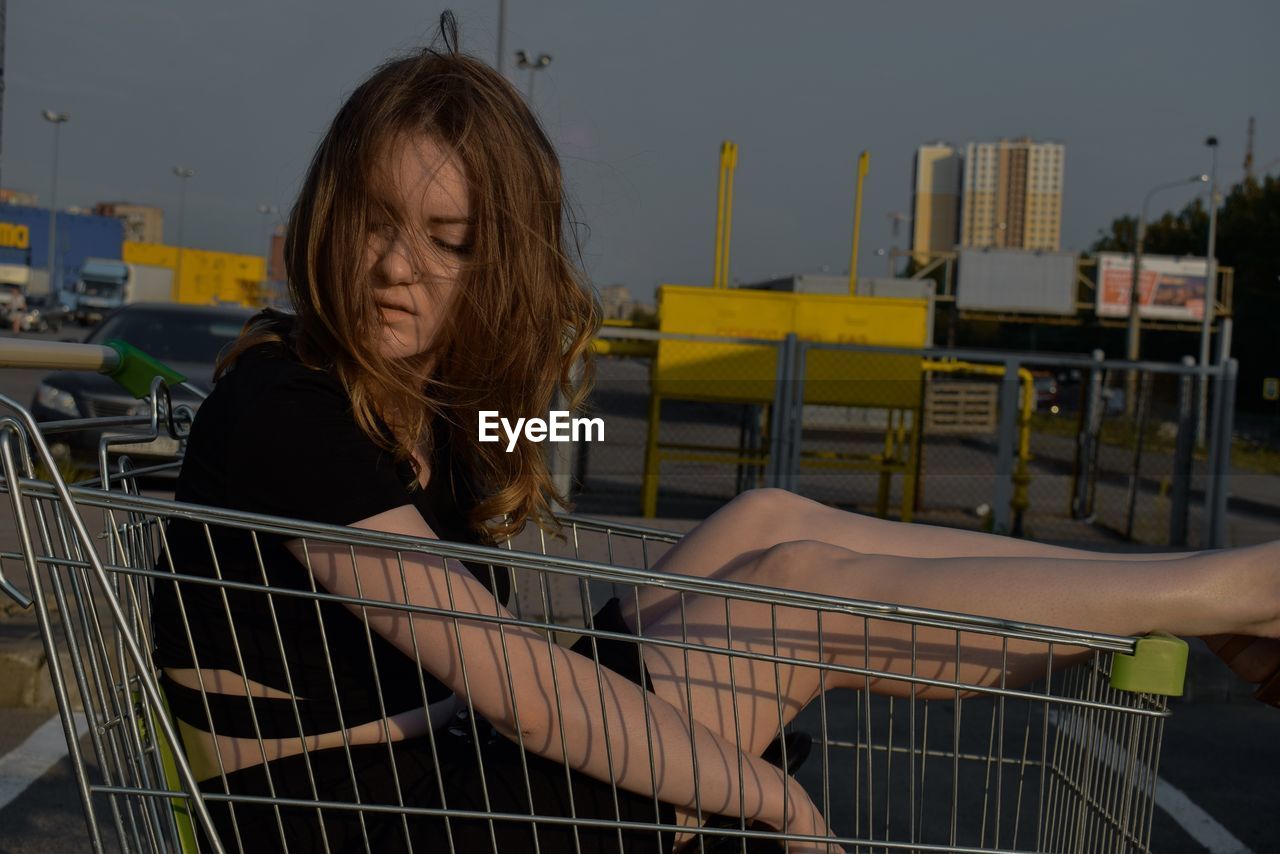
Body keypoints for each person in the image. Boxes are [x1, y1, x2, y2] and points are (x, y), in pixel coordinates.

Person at [149, 15, 1280, 854]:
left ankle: (1195, 587)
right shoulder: (286, 409)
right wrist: (766, 796)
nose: (400, 266)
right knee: (791, 596)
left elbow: (520, 650)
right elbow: (520, 692)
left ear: (490, 262)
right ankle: (1231, 587)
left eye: (446, 240)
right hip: (340, 822)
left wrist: (749, 778)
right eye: (379, 224)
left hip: (438, 780)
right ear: (329, 208)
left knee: (767, 524)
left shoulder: (427, 408)